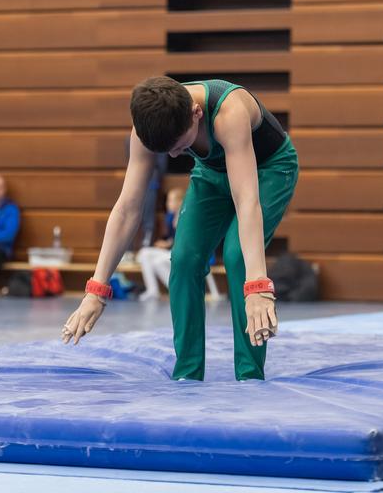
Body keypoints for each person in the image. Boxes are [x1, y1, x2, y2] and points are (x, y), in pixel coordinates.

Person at [62, 77, 299, 382]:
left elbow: (246, 200)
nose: (174, 156)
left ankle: (250, 374)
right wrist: (96, 289)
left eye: (178, 146)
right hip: (212, 173)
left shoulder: (230, 113)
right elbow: (127, 208)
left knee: (238, 255)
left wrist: (257, 286)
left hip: (269, 170)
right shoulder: (145, 129)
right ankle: (187, 373)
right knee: (185, 258)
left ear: (197, 113)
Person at [138, 187, 222, 302]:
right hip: (177, 251)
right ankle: (153, 290)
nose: (168, 204)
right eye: (168, 200)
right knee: (144, 253)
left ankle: (178, 291)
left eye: (171, 200)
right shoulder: (171, 217)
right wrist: (167, 243)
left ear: (180, 202)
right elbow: (175, 239)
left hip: (193, 253)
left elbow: (193, 239)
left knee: (157, 262)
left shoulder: (189, 215)